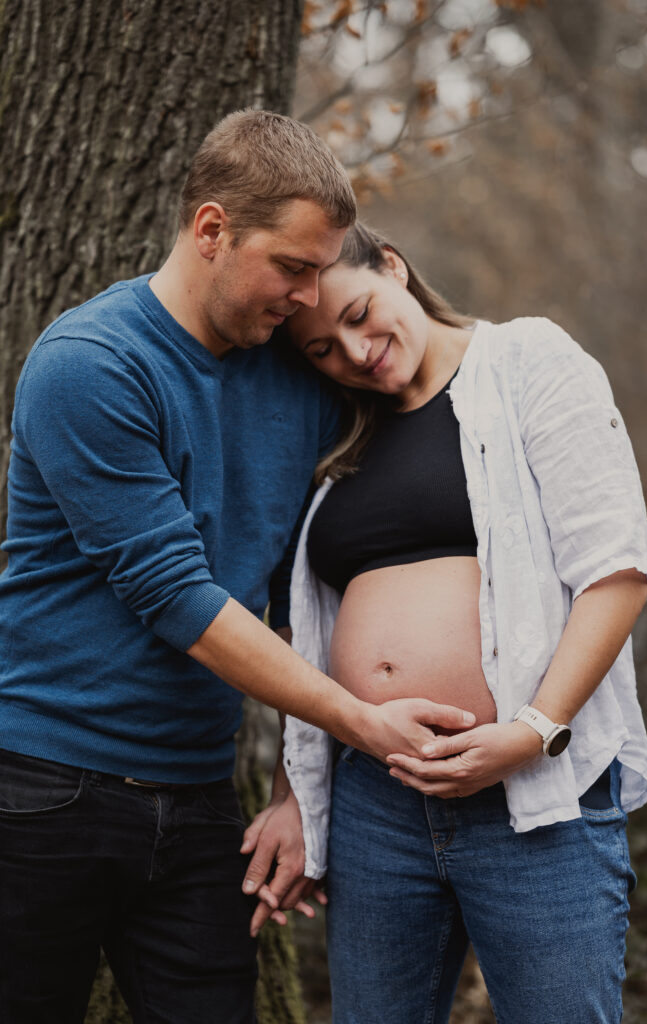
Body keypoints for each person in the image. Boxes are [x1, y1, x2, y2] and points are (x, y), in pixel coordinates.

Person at [0, 117, 473, 1024]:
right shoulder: (89, 365)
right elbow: (178, 599)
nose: (308, 297)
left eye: (322, 270)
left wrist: (300, 792)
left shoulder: (294, 378)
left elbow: (302, 594)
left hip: (199, 798)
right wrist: (364, 727)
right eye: (292, 268)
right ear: (212, 231)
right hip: (43, 790)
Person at [274, 222, 647, 1024]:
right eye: (320, 350)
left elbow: (614, 573)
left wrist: (530, 731)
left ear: (392, 265)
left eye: (356, 312)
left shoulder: (527, 362)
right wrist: (293, 791)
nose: (352, 352)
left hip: (533, 795)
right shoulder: (340, 431)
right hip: (376, 801)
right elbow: (304, 634)